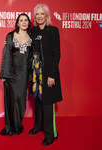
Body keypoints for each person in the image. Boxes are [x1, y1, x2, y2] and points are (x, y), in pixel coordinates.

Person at [28, 4, 63, 145]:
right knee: (37, 101)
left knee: (47, 104)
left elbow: (57, 54)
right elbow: (22, 38)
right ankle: (38, 127)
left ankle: (50, 134)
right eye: (37, 14)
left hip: (48, 73)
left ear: (47, 15)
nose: (39, 16)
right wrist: (9, 40)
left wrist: (51, 75)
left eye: (42, 14)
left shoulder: (53, 31)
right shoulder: (34, 32)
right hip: (36, 74)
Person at [0, 13, 32, 136]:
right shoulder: (10, 36)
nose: (24, 22)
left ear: (28, 23)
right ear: (17, 23)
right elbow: (6, 55)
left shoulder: (32, 37)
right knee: (11, 101)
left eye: (26, 20)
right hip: (11, 74)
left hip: (23, 75)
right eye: (21, 20)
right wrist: (4, 74)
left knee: (20, 101)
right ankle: (11, 127)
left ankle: (18, 125)